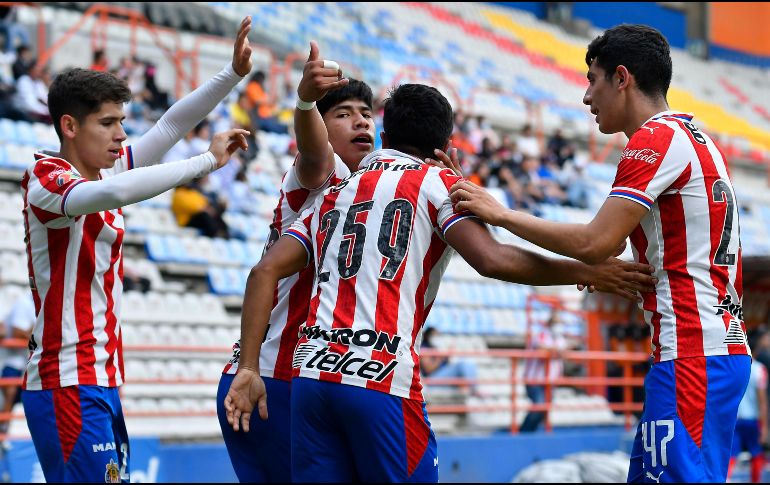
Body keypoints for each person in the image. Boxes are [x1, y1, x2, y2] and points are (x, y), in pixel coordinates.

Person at [225, 83, 656, 482]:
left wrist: (248, 367)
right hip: (379, 375)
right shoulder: (437, 184)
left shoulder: (333, 194)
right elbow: (492, 259)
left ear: (384, 132)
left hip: (311, 379)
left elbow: (264, 270)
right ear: (446, 145)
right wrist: (587, 271)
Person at [448, 24, 750, 483]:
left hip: (693, 353)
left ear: (622, 78)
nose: (587, 97)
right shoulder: (695, 138)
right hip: (710, 349)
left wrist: (501, 213)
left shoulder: (654, 140)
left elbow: (595, 243)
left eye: (592, 79)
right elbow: (673, 255)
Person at [20, 16, 254, 483]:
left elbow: (168, 126)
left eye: (122, 122)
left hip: (100, 376)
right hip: (66, 376)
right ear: (69, 125)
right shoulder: (47, 179)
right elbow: (111, 196)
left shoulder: (103, 172)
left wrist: (230, 75)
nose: (121, 135)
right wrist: (206, 161)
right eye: (107, 123)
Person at [215, 41, 369, 483]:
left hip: (289, 379)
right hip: (269, 378)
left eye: (366, 112)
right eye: (343, 113)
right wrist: (305, 102)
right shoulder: (323, 173)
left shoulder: (366, 189)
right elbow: (314, 148)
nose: (360, 119)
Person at [727, 331, 768, 483]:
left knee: (731, 454)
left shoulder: (734, 368)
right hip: (752, 419)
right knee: (757, 454)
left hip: (735, 419)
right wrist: (764, 427)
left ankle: (727, 479)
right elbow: (762, 400)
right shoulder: (759, 370)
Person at [520, 310, 568, 432]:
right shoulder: (541, 335)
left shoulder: (560, 339)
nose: (559, 326)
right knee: (539, 406)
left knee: (545, 409)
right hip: (534, 380)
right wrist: (556, 351)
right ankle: (524, 432)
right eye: (556, 323)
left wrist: (555, 351)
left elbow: (564, 351)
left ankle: (531, 432)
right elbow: (542, 348)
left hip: (550, 381)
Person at [0, 292, 34, 438]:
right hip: (11, 361)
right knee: (10, 392)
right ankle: (3, 428)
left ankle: (4, 429)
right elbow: (17, 332)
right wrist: (37, 336)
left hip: (24, 362)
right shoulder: (24, 302)